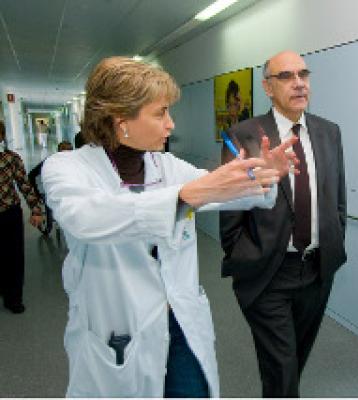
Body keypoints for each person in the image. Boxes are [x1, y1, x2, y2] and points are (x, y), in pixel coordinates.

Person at [41, 56, 297, 398]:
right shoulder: (67, 167)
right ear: (121, 122)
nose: (171, 124)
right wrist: (185, 195)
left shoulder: (167, 166)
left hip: (182, 324)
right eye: (160, 113)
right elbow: (84, 217)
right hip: (119, 330)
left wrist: (263, 175)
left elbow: (225, 192)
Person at [219, 50, 347, 397]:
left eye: (303, 75)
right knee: (282, 367)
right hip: (268, 271)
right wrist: (244, 256)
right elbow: (230, 209)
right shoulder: (245, 134)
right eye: (287, 76)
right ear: (267, 87)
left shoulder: (328, 132)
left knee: (295, 360)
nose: (299, 83)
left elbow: (337, 198)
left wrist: (334, 244)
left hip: (317, 270)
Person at [0, 120, 44, 313]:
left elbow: (24, 185)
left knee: (14, 258)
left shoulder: (11, 158)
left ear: (2, 136)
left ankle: (13, 298)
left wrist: (36, 210)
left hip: (9, 215)